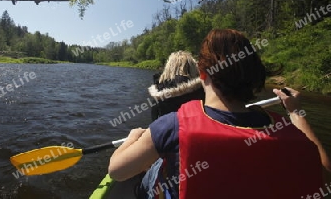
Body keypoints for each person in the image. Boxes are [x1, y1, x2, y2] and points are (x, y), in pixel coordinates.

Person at [108, 29, 330, 199]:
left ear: (202, 74)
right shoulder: (285, 130)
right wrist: (296, 113)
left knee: (150, 175)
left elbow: (117, 172)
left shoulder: (173, 126)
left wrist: (132, 137)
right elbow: (323, 174)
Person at [143, 51, 205, 198]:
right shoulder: (205, 91)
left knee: (145, 182)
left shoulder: (159, 94)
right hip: (201, 152)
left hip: (170, 154)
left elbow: (154, 122)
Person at [148, 51, 205, 121]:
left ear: (168, 67)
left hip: (168, 129)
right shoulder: (201, 89)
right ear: (192, 67)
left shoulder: (159, 90)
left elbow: (154, 119)